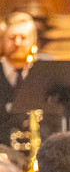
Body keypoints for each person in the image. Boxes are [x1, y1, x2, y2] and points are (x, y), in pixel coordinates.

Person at [0, 12, 38, 147]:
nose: (17, 43)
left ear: (33, 41)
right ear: (2, 40)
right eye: (11, 38)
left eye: (23, 37)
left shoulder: (45, 72)